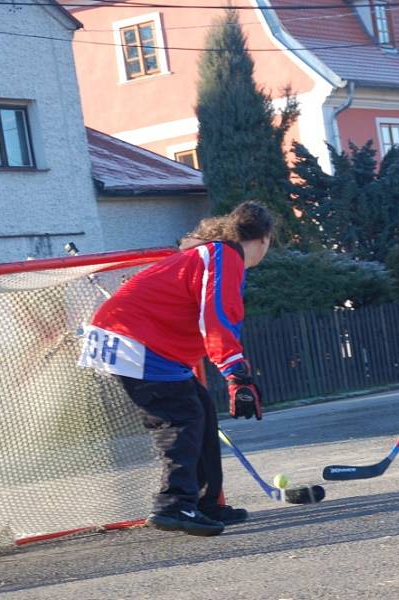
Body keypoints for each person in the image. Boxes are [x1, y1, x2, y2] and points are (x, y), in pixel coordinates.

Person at [79, 202, 272, 537]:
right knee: (181, 417)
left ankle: (204, 502)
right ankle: (174, 505)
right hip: (134, 342)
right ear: (264, 240)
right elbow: (216, 317)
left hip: (137, 341)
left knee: (200, 410)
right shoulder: (224, 256)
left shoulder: (206, 254)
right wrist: (236, 375)